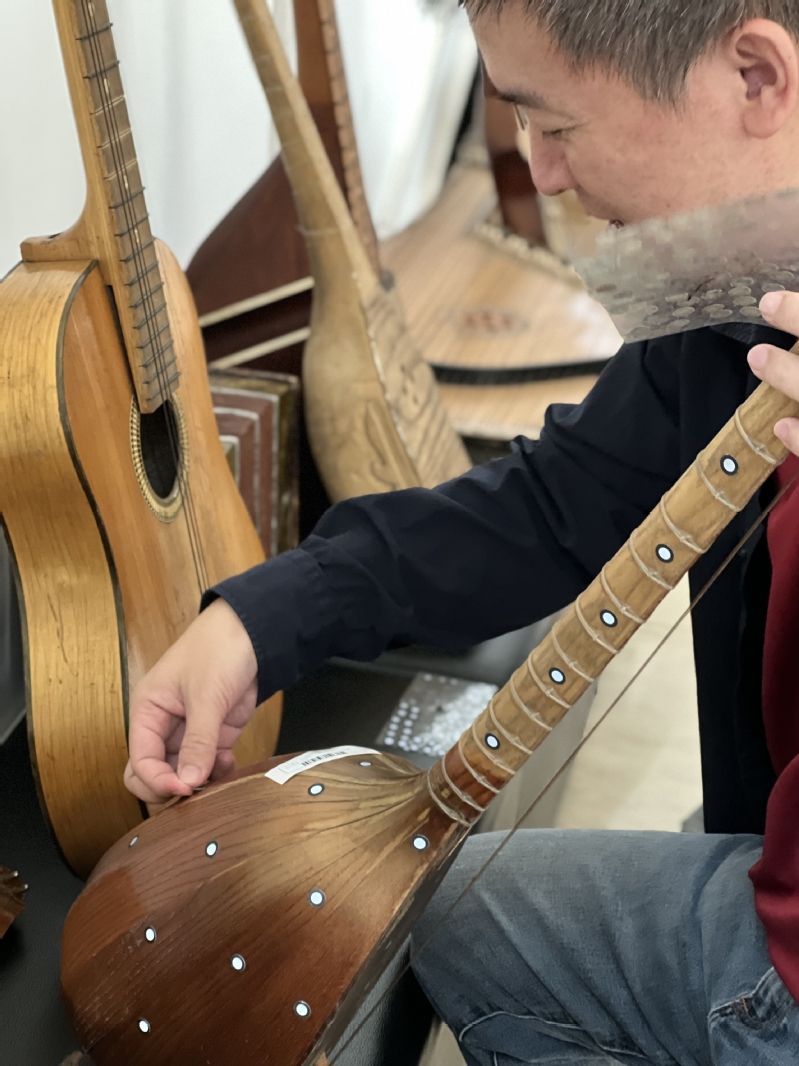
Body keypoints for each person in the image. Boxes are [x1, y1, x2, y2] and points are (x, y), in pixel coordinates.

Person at [125, 2, 799, 1062]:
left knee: (454, 922)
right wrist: (262, 617)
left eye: (557, 126)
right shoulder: (733, 270)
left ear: (754, 77)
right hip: (770, 821)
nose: (542, 173)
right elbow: (562, 499)